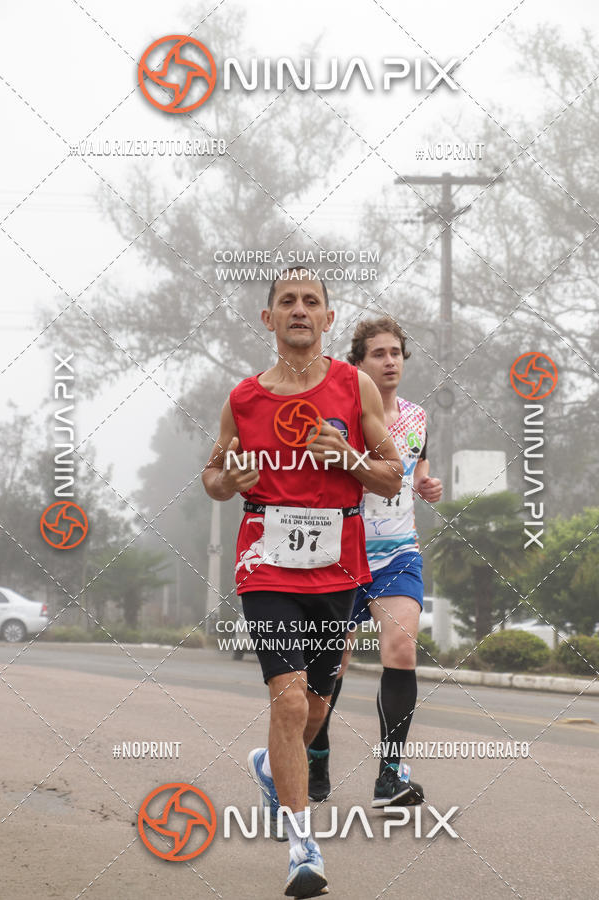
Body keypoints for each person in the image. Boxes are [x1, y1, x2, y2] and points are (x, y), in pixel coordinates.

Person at [202, 270, 403, 899]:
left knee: (316, 704)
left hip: (337, 565)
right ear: (268, 320)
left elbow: (392, 475)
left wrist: (348, 459)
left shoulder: (355, 385)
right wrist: (228, 482)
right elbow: (212, 473)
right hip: (265, 561)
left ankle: (269, 764)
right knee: (287, 701)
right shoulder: (242, 398)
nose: (298, 310)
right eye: (286, 302)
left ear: (328, 318)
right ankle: (301, 845)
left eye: (310, 302)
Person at [308, 316, 443, 810]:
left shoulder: (417, 416)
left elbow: (418, 463)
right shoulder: (341, 417)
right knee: (332, 662)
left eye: (396, 353)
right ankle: (317, 753)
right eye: (379, 354)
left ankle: (390, 775)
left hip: (398, 553)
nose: (390, 361)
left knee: (402, 649)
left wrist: (427, 483)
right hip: (343, 554)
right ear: (359, 363)